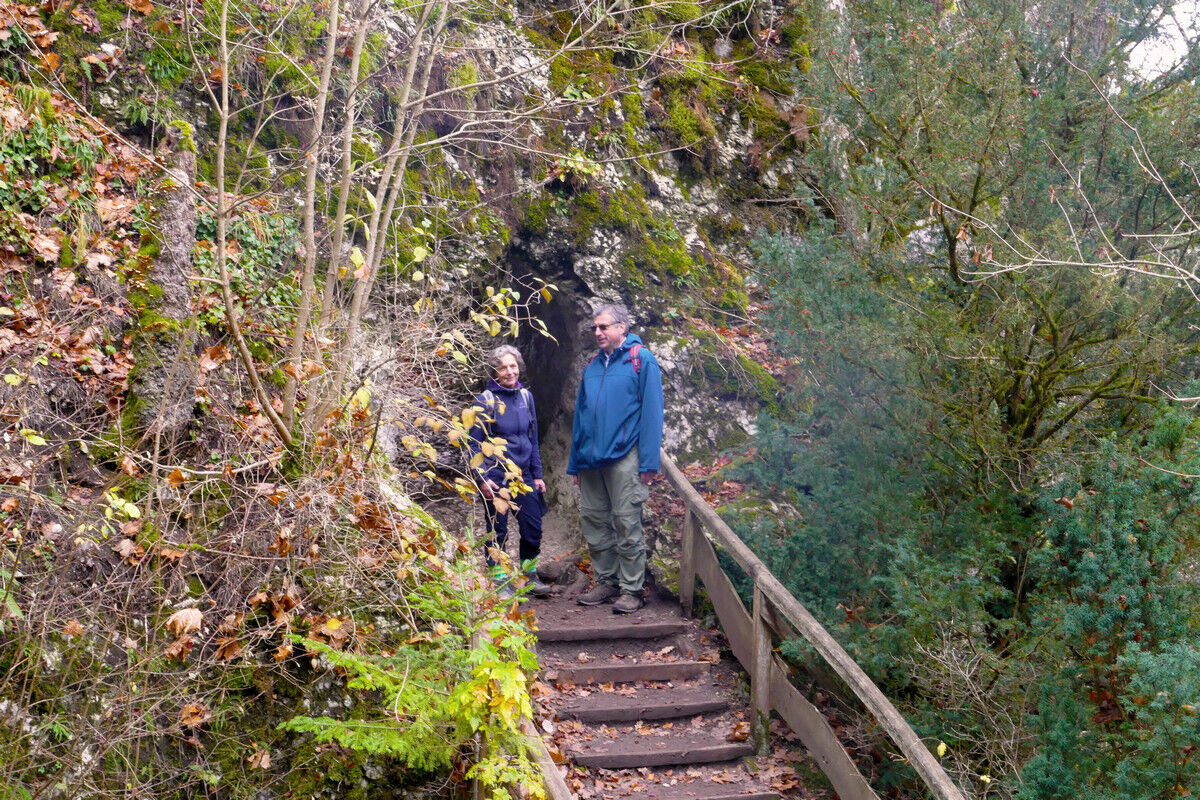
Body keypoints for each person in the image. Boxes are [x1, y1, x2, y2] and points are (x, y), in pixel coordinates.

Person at [567, 304, 664, 614]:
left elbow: (652, 414)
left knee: (625, 522)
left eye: (604, 327)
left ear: (623, 327)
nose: (598, 332)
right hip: (591, 460)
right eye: (595, 328)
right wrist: (574, 463)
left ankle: (632, 589)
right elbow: (580, 419)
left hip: (624, 457)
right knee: (594, 521)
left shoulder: (641, 361)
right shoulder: (592, 367)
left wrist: (649, 463)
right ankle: (606, 581)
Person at [468, 345, 552, 600]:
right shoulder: (485, 400)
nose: (509, 371)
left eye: (513, 366)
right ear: (494, 371)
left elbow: (533, 439)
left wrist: (537, 475)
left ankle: (529, 575)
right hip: (495, 475)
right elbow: (473, 443)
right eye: (503, 367)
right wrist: (481, 478)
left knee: (532, 528)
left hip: (523, 475)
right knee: (498, 529)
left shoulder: (526, 397)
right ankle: (499, 580)